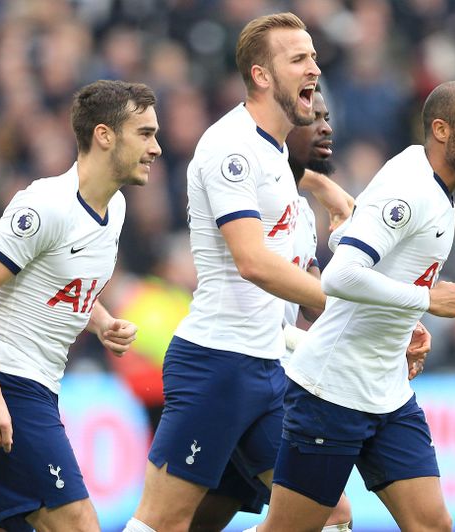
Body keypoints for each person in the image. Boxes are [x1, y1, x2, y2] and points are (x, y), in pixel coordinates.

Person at [125, 12, 351, 532]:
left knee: (326, 515)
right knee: (163, 522)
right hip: (217, 365)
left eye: (313, 56)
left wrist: (382, 319)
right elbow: (252, 262)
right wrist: (352, 304)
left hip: (269, 368)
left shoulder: (278, 158)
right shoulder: (230, 146)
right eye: (298, 59)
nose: (313, 68)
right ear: (262, 76)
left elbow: (302, 276)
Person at [250, 80, 455, 532]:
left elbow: (362, 244)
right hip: (332, 393)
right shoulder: (412, 189)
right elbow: (340, 275)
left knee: (433, 525)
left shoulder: (422, 175)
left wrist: (406, 322)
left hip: (387, 393)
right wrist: (425, 300)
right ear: (441, 130)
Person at [0, 80, 161, 532]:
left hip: (34, 387)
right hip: (5, 384)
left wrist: (99, 322)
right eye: (144, 133)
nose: (155, 148)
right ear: (104, 135)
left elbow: (62, 283)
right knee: (79, 523)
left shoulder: (114, 207)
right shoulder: (45, 206)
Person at [189, 87, 355, 532]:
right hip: (234, 364)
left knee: (197, 521)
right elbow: (255, 264)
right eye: (312, 117)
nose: (325, 126)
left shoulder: (300, 210)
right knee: (330, 514)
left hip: (265, 369)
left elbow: (312, 300)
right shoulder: (247, 173)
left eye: (327, 116)